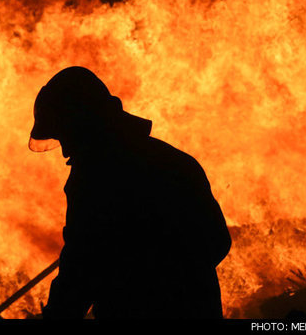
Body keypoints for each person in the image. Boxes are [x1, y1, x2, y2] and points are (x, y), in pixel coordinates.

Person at [29, 66, 231, 319]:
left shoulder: (94, 177)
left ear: (80, 125)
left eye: (65, 136)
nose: (65, 151)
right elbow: (218, 241)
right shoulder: (176, 161)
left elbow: (80, 268)